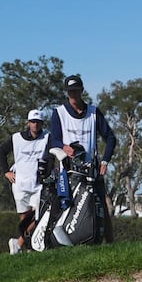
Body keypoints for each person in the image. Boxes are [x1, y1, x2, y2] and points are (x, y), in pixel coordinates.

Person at [46, 73, 117, 240]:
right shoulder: (59, 113)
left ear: (82, 90)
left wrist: (105, 160)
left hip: (92, 170)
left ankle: (109, 242)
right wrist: (64, 147)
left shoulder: (93, 112)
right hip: (68, 171)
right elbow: (53, 140)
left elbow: (111, 137)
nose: (73, 95)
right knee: (59, 204)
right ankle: (50, 239)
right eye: (70, 92)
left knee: (101, 208)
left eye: (76, 91)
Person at [0, 109, 50, 254]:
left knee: (39, 215)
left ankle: (18, 243)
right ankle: (29, 246)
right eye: (33, 122)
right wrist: (6, 172)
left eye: (38, 122)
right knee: (24, 219)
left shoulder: (47, 137)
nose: (35, 125)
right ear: (28, 123)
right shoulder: (16, 138)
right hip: (20, 183)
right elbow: (1, 151)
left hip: (38, 184)